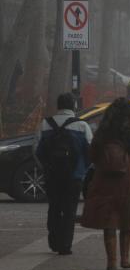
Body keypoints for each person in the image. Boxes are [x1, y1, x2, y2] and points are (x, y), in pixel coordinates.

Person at [81, 97, 130, 270]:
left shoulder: (102, 135)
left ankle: (111, 261)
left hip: (105, 181)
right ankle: (125, 259)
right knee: (127, 220)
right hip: (128, 181)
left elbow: (92, 156)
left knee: (109, 220)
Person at [34, 93, 92, 255]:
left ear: (58, 106)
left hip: (52, 175)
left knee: (54, 207)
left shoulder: (45, 124)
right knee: (69, 210)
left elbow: (36, 150)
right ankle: (65, 245)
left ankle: (53, 241)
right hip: (74, 176)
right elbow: (90, 151)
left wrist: (45, 167)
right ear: (74, 106)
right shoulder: (82, 125)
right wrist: (82, 169)